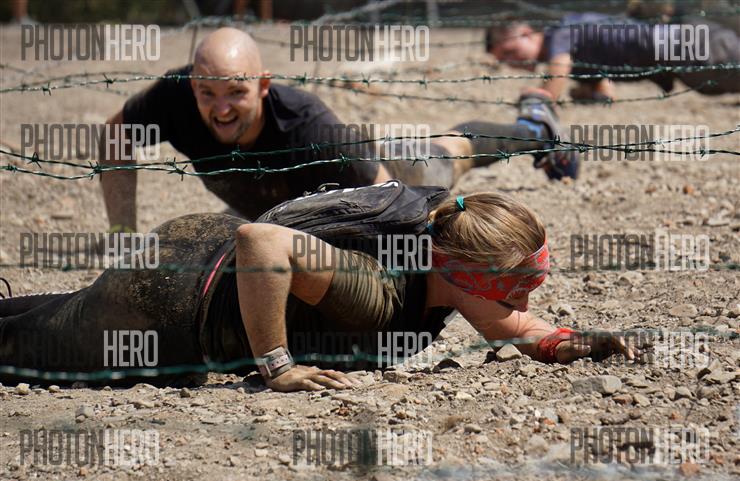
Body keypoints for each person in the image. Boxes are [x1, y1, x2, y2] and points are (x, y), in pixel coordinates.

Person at [0, 185, 632, 390]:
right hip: (166, 306)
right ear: (463, 272)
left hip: (194, 251)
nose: (526, 300)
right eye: (518, 285)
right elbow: (261, 243)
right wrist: (277, 366)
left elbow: (512, 325)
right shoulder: (379, 293)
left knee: (55, 313)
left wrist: (578, 342)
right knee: (25, 349)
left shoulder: (439, 244)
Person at [101, 27, 578, 232]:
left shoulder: (312, 128)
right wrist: (123, 233)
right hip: (275, 206)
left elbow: (387, 200)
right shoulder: (174, 99)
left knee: (446, 153)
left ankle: (536, 128)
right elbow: (114, 136)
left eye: (236, 93)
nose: (220, 108)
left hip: (379, 180)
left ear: (263, 85)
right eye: (207, 93)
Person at [486, 13, 739, 101]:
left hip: (683, 44)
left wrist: (540, 99)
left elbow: (559, 68)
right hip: (678, 56)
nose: (512, 62)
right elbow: (606, 90)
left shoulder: (560, 34)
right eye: (503, 60)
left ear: (527, 33)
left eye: (509, 52)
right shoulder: (573, 52)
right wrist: (589, 91)